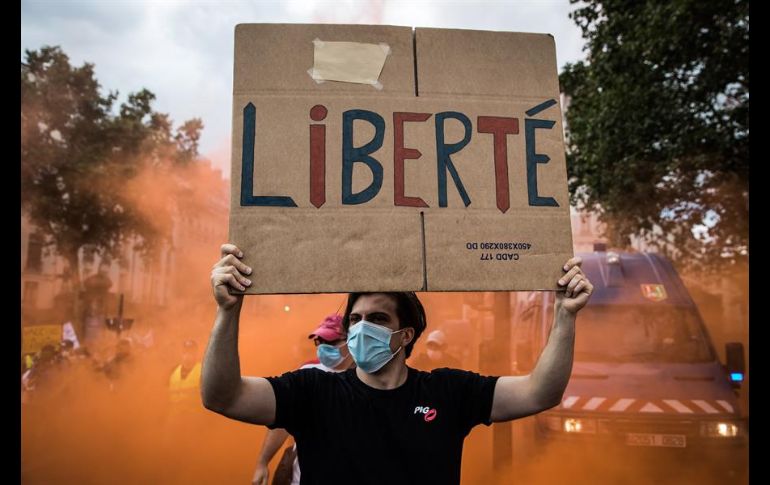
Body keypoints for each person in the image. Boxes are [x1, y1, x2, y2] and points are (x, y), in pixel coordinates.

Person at [202, 244, 593, 485]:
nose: (360, 328)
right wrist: (228, 311)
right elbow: (223, 396)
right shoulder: (313, 392)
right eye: (355, 320)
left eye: (377, 319)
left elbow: (541, 391)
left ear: (405, 336)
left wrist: (565, 314)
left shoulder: (449, 392)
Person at [252, 314, 354, 485]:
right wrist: (263, 462)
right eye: (319, 341)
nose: (322, 347)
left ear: (352, 341)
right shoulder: (309, 371)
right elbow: (282, 421)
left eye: (331, 342)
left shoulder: (371, 378)